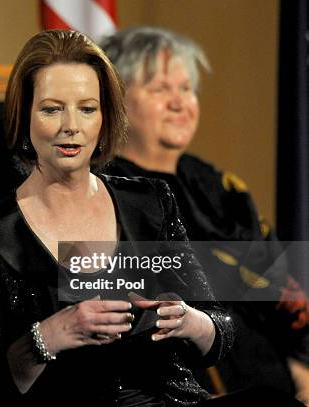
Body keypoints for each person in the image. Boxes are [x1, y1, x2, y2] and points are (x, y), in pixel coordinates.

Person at [0, 30, 234, 406]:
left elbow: (221, 334)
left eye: (87, 108)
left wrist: (187, 320)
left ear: (105, 117)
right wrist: (51, 334)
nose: (72, 125)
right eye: (52, 109)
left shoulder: (151, 202)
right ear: (24, 116)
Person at [98, 26, 309, 402]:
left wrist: (302, 363)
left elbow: (279, 283)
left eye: (186, 88)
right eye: (161, 89)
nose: (180, 102)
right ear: (118, 101)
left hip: (274, 377)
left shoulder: (220, 186)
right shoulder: (104, 191)